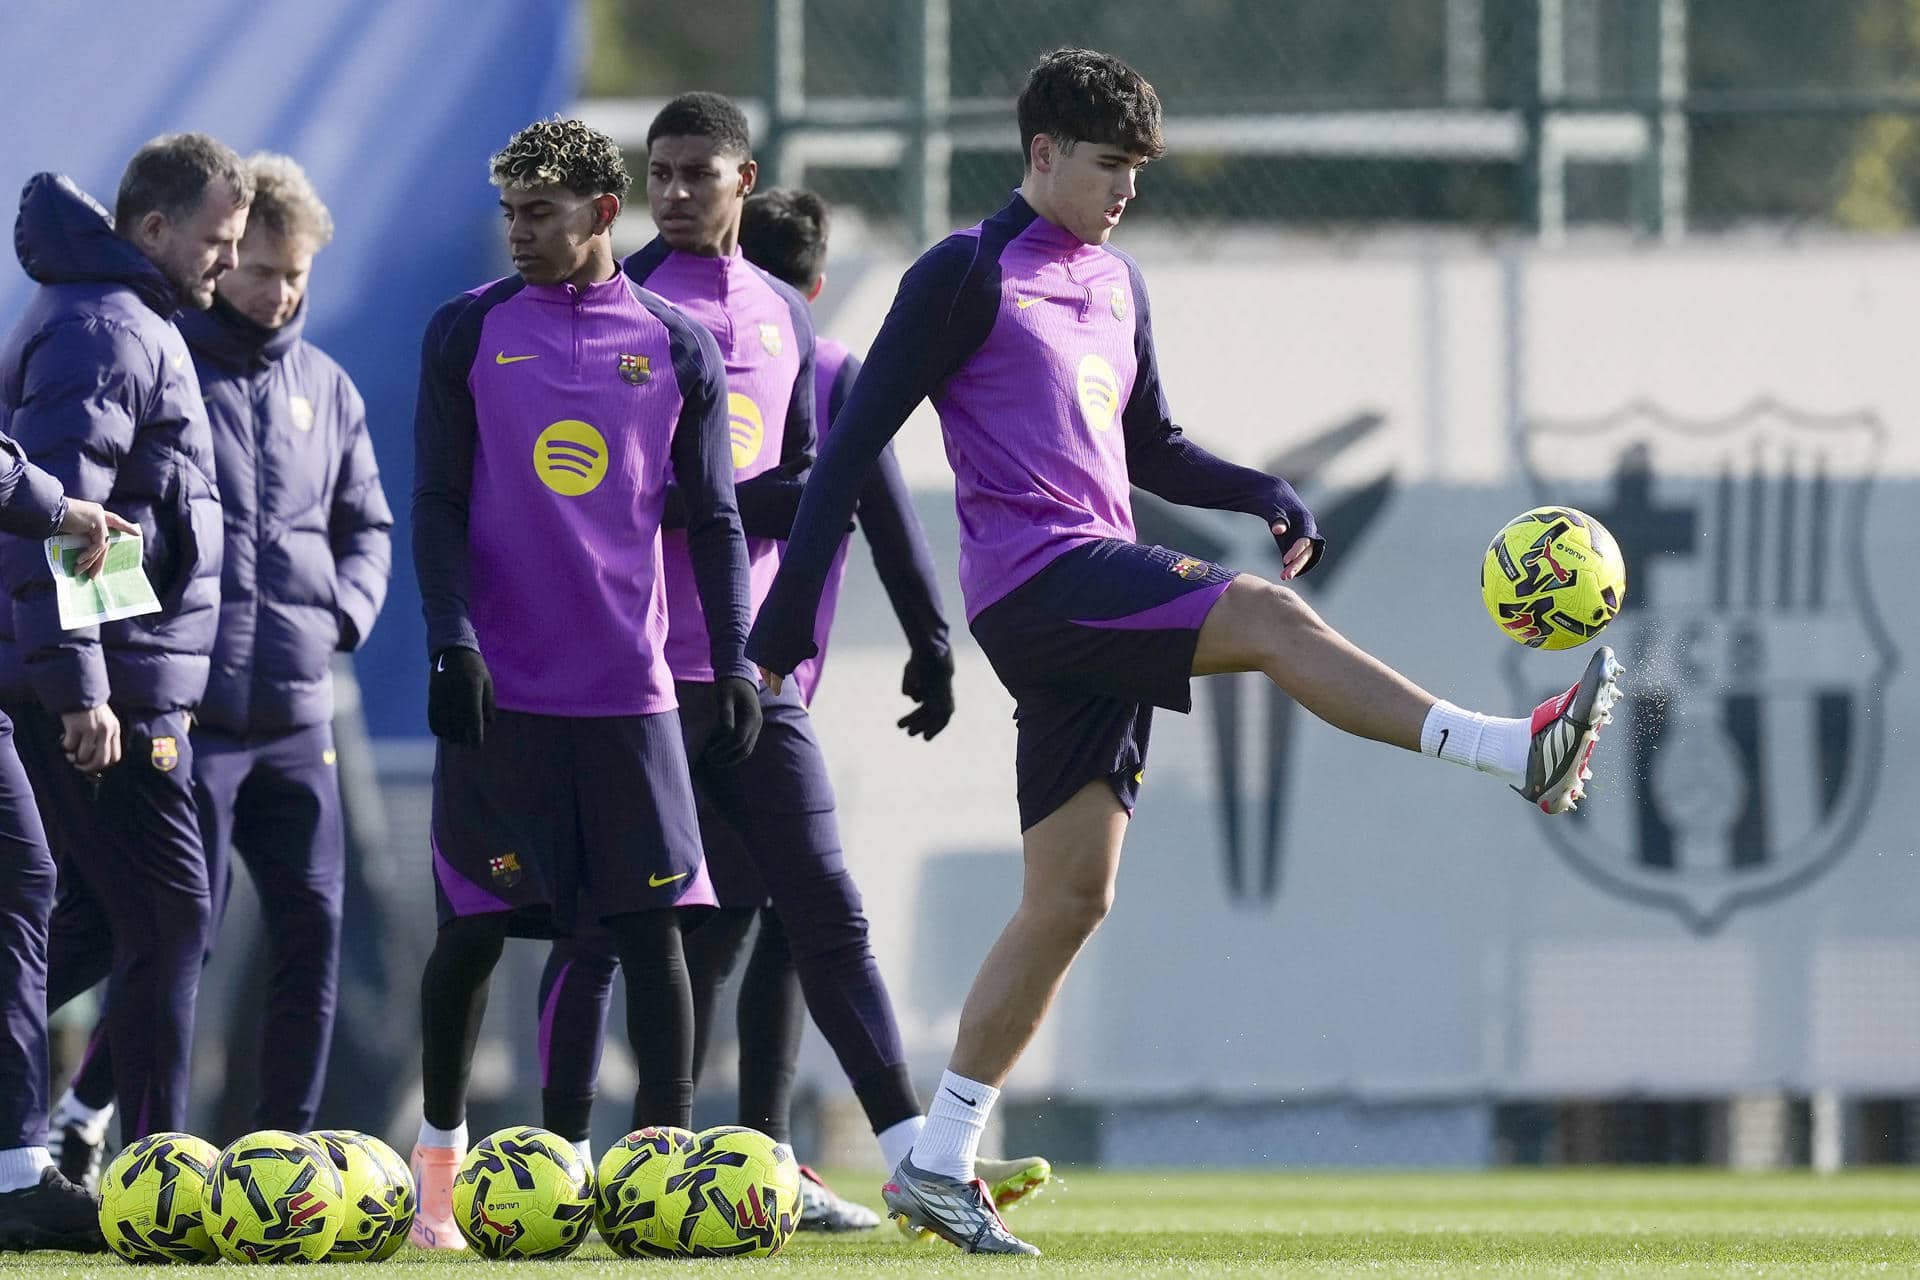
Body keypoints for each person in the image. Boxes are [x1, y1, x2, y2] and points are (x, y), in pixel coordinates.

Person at [745, 49, 1625, 1256]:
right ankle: (1506, 749)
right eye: (1108, 165)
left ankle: (938, 1159)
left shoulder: (1115, 281)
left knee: (1071, 897)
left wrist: (1262, 483)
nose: (1125, 191)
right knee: (1266, 621)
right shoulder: (962, 273)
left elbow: (1147, 439)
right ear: (1042, 152)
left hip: (1089, 590)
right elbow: (848, 451)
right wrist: (779, 626)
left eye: (1139, 172)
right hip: (1042, 584)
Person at [534, 96, 1050, 1228]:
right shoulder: (607, 306)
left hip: (755, 679)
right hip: (635, 677)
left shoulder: (777, 310)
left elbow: (829, 487)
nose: (675, 191)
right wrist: (747, 501)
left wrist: (838, 630)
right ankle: (566, 1163)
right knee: (609, 927)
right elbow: (598, 495)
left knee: (823, 910)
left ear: (743, 179)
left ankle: (916, 1160)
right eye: (659, 173)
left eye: (696, 173)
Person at [408, 117, 758, 1251]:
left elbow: (714, 520)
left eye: (540, 212)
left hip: (631, 693)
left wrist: (738, 657)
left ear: (603, 215)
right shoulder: (466, 332)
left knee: (654, 932)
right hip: (500, 693)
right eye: (509, 211)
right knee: (470, 929)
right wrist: (451, 641)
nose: (518, 232)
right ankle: (437, 1189)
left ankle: (664, 1179)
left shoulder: (675, 344)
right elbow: (439, 507)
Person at [45, 154, 394, 1184]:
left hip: (297, 710)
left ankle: (282, 1144)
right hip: (182, 716)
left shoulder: (325, 386)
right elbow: (84, 517)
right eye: (261, 268)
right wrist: (98, 672)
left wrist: (341, 615)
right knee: (163, 935)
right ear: (224, 254)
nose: (279, 291)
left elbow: (366, 522)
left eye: (297, 275)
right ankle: (100, 1124)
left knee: (313, 926)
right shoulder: (156, 357)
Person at [0, 135, 248, 1149]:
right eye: (218, 241)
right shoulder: (108, 327)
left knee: (109, 920)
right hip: (111, 689)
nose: (227, 264)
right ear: (152, 228)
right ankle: (153, 1166)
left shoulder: (132, 317)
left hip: (129, 677)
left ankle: (78, 1136)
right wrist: (82, 689)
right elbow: (66, 518)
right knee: (172, 917)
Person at [0, 430, 135, 1250]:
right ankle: (25, 1167)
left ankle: (25, 1160)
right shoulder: (103, 330)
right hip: (85, 692)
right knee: (29, 881)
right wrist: (61, 506)